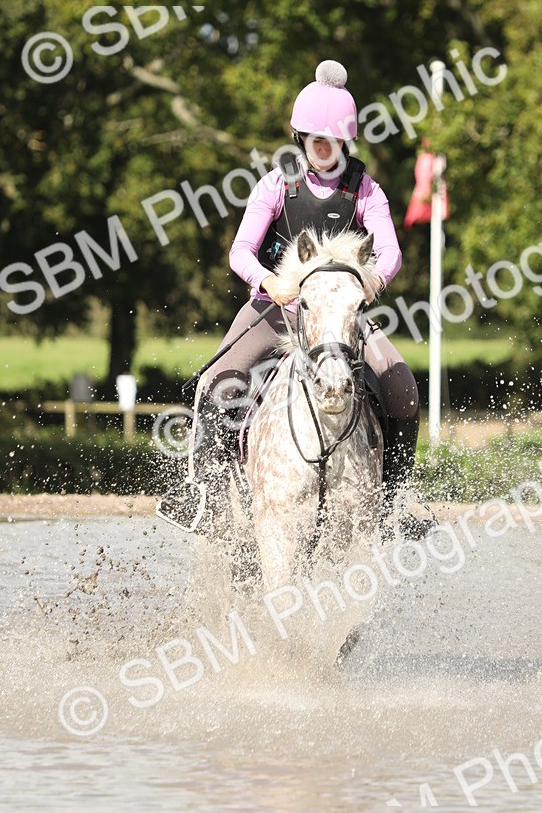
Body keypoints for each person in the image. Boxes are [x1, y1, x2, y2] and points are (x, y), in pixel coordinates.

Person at [165, 59, 432, 540]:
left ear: (344, 142)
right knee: (214, 384)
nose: (323, 149)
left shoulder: (366, 190)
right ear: (301, 140)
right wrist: (269, 282)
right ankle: (201, 494)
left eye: (330, 141)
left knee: (403, 391)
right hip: (275, 311)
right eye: (314, 140)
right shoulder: (275, 186)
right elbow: (240, 251)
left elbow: (390, 252)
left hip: (338, 317)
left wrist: (367, 282)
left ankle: (395, 504)